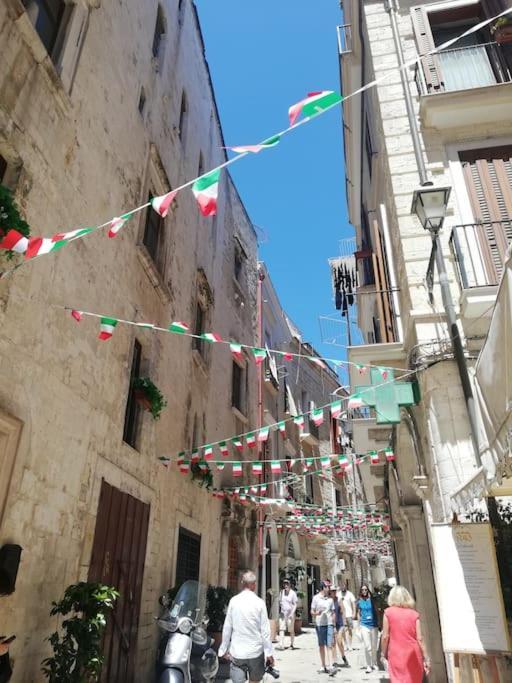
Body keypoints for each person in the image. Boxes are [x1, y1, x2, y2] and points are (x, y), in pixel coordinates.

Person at [218, 571, 274, 683]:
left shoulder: (234, 601)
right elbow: (265, 630)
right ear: (254, 585)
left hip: (237, 652)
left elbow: (227, 627)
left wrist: (223, 649)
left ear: (242, 583)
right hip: (256, 652)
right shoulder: (260, 603)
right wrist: (268, 653)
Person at [381, 586, 431, 682]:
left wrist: (383, 654)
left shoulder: (388, 613)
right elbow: (420, 638)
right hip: (413, 655)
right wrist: (426, 658)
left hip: (396, 654)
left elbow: (385, 637)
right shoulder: (414, 614)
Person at [311, 581, 336, 676]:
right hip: (319, 624)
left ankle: (330, 666)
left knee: (329, 644)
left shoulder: (330, 600)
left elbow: (333, 612)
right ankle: (323, 665)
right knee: (321, 645)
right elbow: (312, 611)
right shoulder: (316, 598)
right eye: (327, 587)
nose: (329, 588)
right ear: (323, 588)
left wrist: (333, 626)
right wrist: (317, 613)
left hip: (329, 623)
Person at [355, 584, 379, 674]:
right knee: (367, 646)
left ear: (368, 590)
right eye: (362, 590)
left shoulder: (372, 600)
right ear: (361, 591)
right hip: (364, 625)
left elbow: (376, 610)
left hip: (374, 625)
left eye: (365, 589)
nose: (364, 591)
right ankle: (368, 665)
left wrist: (379, 622)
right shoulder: (359, 601)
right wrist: (358, 625)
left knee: (373, 646)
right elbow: (358, 613)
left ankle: (374, 663)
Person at [330, 588, 348, 667]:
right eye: (332, 591)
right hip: (331, 624)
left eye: (334, 591)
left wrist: (344, 623)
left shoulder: (339, 600)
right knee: (333, 643)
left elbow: (343, 611)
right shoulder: (328, 600)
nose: (333, 592)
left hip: (339, 624)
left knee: (339, 641)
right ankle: (335, 661)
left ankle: (343, 656)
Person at [278, 579, 297, 650]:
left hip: (290, 614)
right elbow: (280, 602)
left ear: (290, 585)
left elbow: (295, 604)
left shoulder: (293, 593)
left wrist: (292, 613)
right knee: (281, 629)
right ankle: (281, 644)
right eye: (284, 584)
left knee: (291, 630)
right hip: (283, 614)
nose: (285, 585)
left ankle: (291, 644)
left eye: (287, 584)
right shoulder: (281, 592)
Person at [338, 582, 356, 650]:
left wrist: (354, 612)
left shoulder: (350, 594)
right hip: (341, 615)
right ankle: (345, 644)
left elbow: (353, 603)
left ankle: (350, 644)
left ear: (346, 587)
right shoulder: (338, 594)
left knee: (350, 629)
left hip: (349, 614)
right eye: (342, 586)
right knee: (343, 630)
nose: (343, 587)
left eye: (344, 586)